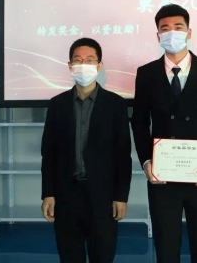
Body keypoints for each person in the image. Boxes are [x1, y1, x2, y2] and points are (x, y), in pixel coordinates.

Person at [131, 4, 197, 263]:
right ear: (158, 36)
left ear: (189, 32)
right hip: (163, 175)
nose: (171, 33)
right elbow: (139, 122)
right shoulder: (146, 73)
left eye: (178, 27)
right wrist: (146, 161)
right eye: (165, 29)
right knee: (166, 249)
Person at [40, 37, 132, 263]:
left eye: (90, 60)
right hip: (66, 195)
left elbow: (123, 155)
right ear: (70, 65)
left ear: (99, 66)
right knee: (69, 256)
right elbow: (49, 154)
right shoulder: (57, 104)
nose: (84, 65)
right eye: (78, 60)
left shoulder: (116, 104)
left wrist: (121, 196)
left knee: (103, 255)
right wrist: (48, 193)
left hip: (103, 196)